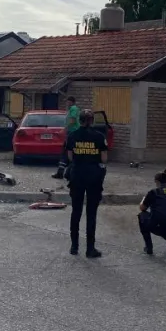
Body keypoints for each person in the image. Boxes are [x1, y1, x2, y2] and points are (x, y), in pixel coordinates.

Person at [58, 109, 107, 258]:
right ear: (91, 120)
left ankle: (74, 246)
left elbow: (70, 157)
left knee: (76, 211)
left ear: (80, 120)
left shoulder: (72, 136)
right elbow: (104, 159)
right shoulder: (99, 136)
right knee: (91, 214)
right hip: (93, 178)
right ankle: (90, 249)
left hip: (77, 176)